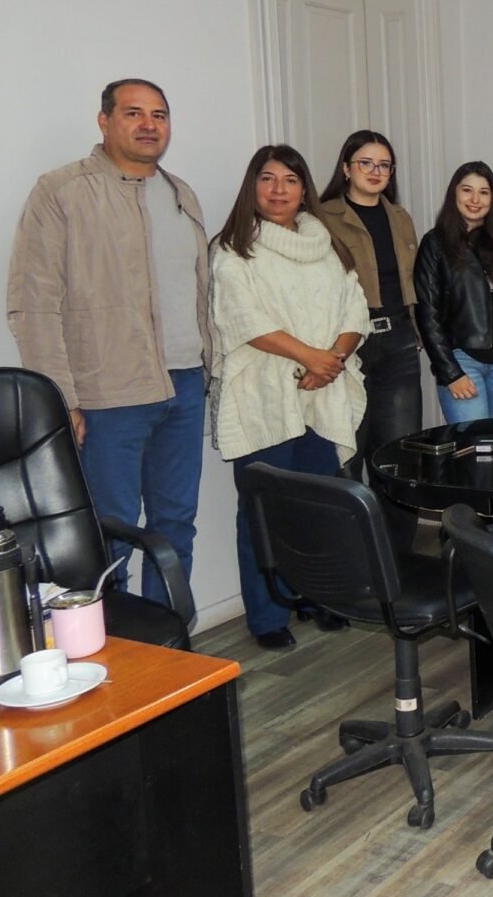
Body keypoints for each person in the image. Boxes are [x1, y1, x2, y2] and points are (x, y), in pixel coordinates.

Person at [8, 79, 210, 605]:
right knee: (108, 532)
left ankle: (166, 640)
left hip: (186, 386)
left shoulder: (181, 194)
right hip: (108, 397)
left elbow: (198, 293)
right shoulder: (62, 191)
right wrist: (61, 398)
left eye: (159, 115)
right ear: (104, 121)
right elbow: (33, 304)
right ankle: (116, 645)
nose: (149, 125)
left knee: (175, 524)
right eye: (133, 113)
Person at [210, 144, 369, 649]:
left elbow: (355, 309)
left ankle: (318, 598)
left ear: (305, 190)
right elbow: (244, 320)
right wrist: (311, 358)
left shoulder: (328, 245)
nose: (278, 190)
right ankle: (267, 616)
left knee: (319, 507)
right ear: (252, 186)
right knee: (262, 510)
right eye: (267, 179)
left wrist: (333, 359)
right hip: (264, 397)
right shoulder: (233, 248)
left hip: (322, 394)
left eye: (290, 180)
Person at [318, 131, 420, 476]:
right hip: (347, 346)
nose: (375, 172)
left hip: (398, 344)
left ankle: (391, 518)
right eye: (366, 163)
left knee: (398, 458)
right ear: (346, 168)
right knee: (346, 455)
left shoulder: (401, 218)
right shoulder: (321, 218)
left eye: (384, 165)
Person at [414, 161, 493, 421]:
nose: (475, 200)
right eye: (467, 190)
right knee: (470, 441)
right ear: (454, 194)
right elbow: (427, 314)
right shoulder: (435, 243)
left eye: (484, 192)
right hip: (463, 362)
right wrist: (450, 372)